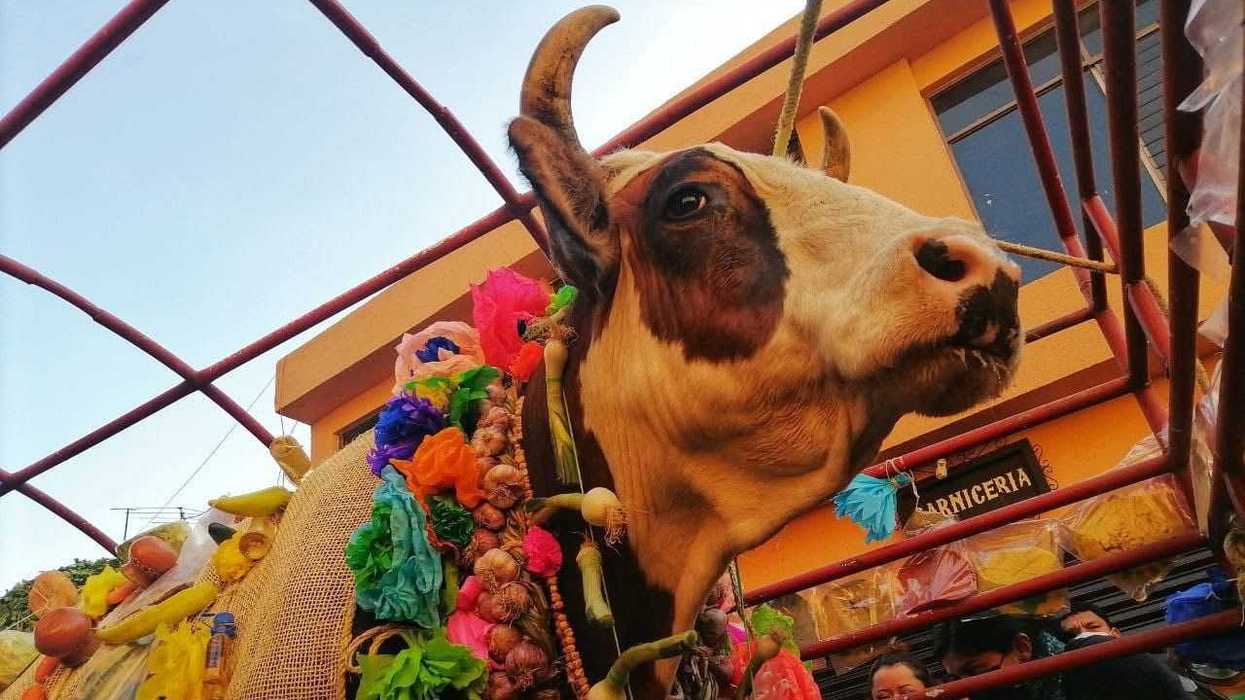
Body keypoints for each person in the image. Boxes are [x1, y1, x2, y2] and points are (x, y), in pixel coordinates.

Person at [1057, 603, 1197, 699]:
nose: (1084, 636)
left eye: (1093, 627)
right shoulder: (1064, 684)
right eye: (1072, 635)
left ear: (1115, 634)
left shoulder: (1167, 663)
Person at [936, 615, 1065, 700]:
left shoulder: (1072, 674)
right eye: (956, 679)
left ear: (1022, 647)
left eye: (975, 671)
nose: (968, 689)